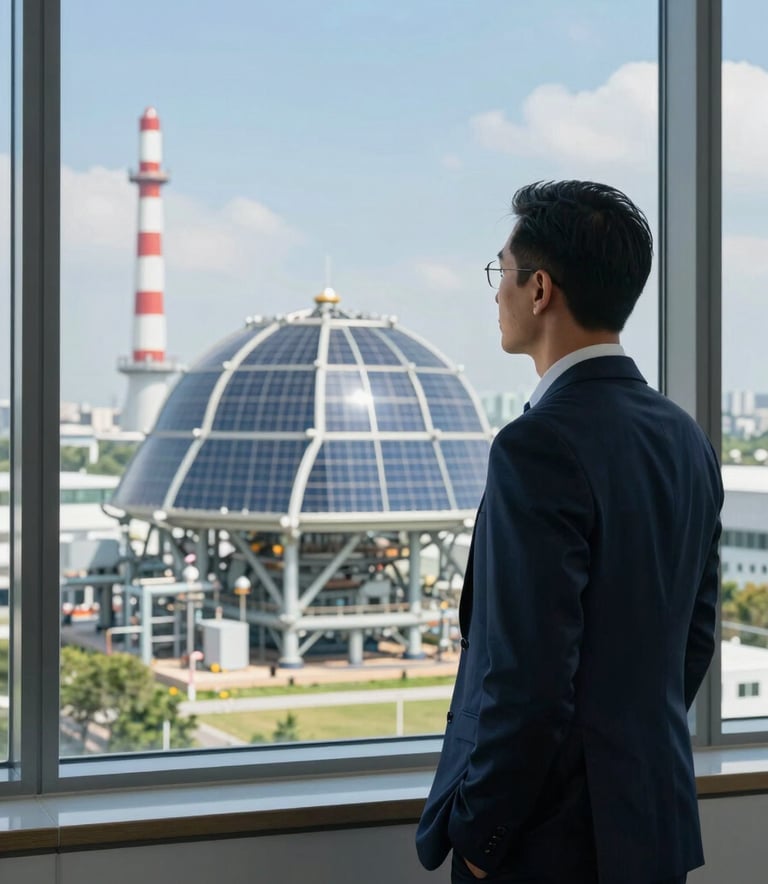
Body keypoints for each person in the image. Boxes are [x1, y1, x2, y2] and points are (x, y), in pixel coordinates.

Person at [415, 180, 723, 884]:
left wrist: (482, 837)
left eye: (502, 272)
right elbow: (693, 640)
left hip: (547, 848)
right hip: (648, 828)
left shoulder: (538, 444)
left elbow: (527, 676)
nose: (495, 293)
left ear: (540, 289)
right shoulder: (685, 438)